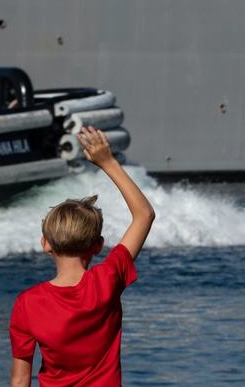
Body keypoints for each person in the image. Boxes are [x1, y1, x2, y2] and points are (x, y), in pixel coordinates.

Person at [9, 126, 156, 387]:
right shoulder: (107, 280)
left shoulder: (27, 304)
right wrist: (108, 162)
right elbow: (144, 215)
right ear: (98, 245)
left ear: (46, 245)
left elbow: (21, 380)